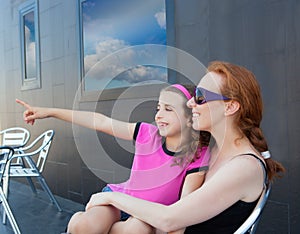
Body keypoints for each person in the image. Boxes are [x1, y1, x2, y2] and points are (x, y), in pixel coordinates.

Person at [85, 61, 285, 233]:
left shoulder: (243, 167)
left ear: (230, 107)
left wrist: (111, 197)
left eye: (200, 96)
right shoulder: (213, 151)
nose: (190, 103)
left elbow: (169, 219)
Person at [16, 84, 211, 234]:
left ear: (188, 117)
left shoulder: (198, 155)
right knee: (85, 226)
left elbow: (183, 210)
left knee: (137, 230)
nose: (159, 115)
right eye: (158, 108)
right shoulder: (146, 133)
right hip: (119, 199)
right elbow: (100, 121)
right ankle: (78, 224)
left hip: (148, 215)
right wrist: (50, 112)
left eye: (168, 109)